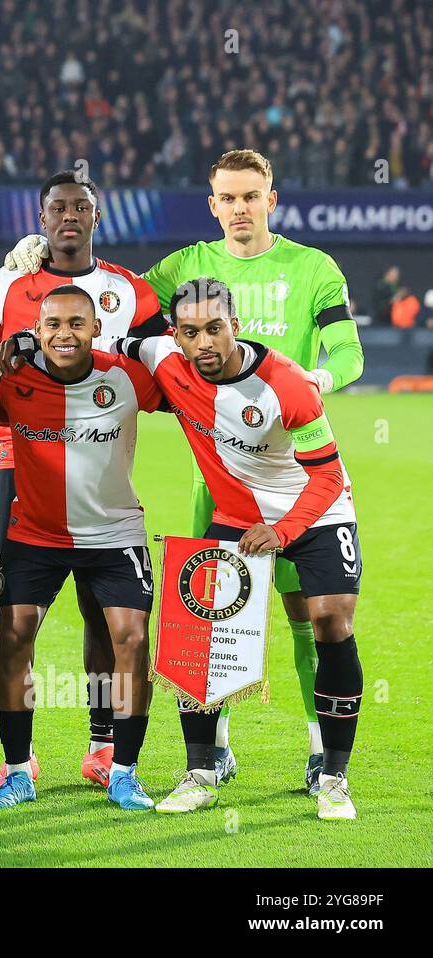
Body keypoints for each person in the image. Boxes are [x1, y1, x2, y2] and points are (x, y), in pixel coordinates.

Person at [3, 150, 365, 794]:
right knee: (205, 619)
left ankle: (321, 755)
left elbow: (347, 348)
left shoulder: (313, 268)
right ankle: (211, 754)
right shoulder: (184, 268)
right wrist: (41, 264)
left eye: (252, 196)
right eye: (228, 198)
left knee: (312, 615)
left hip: (296, 464)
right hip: (218, 481)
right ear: (213, 204)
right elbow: (106, 302)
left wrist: (320, 378)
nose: (240, 208)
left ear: (271, 199)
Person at [0, 169, 168, 792]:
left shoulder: (129, 291)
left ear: (97, 218)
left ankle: (106, 751)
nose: (69, 216)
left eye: (81, 207)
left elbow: (167, 370)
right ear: (40, 218)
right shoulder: (5, 284)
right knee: (17, 628)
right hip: (23, 473)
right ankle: (22, 763)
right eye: (57, 207)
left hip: (99, 473)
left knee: (107, 619)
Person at [115, 278, 363, 820]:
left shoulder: (289, 385)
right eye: (189, 332)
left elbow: (326, 477)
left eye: (214, 329)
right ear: (174, 334)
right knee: (195, 629)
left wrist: (284, 532)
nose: (203, 343)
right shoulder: (163, 356)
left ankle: (334, 778)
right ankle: (201, 771)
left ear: (236, 324)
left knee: (331, 624)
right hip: (237, 516)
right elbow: (113, 324)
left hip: (315, 510)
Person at [0, 286, 161, 812]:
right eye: (52, 324)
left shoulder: (125, 376)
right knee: (14, 637)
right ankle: (17, 771)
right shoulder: (11, 374)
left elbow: (186, 380)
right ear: (37, 330)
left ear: (96, 329)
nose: (64, 333)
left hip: (115, 534)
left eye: (77, 323)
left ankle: (123, 770)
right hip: (35, 535)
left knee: (131, 637)